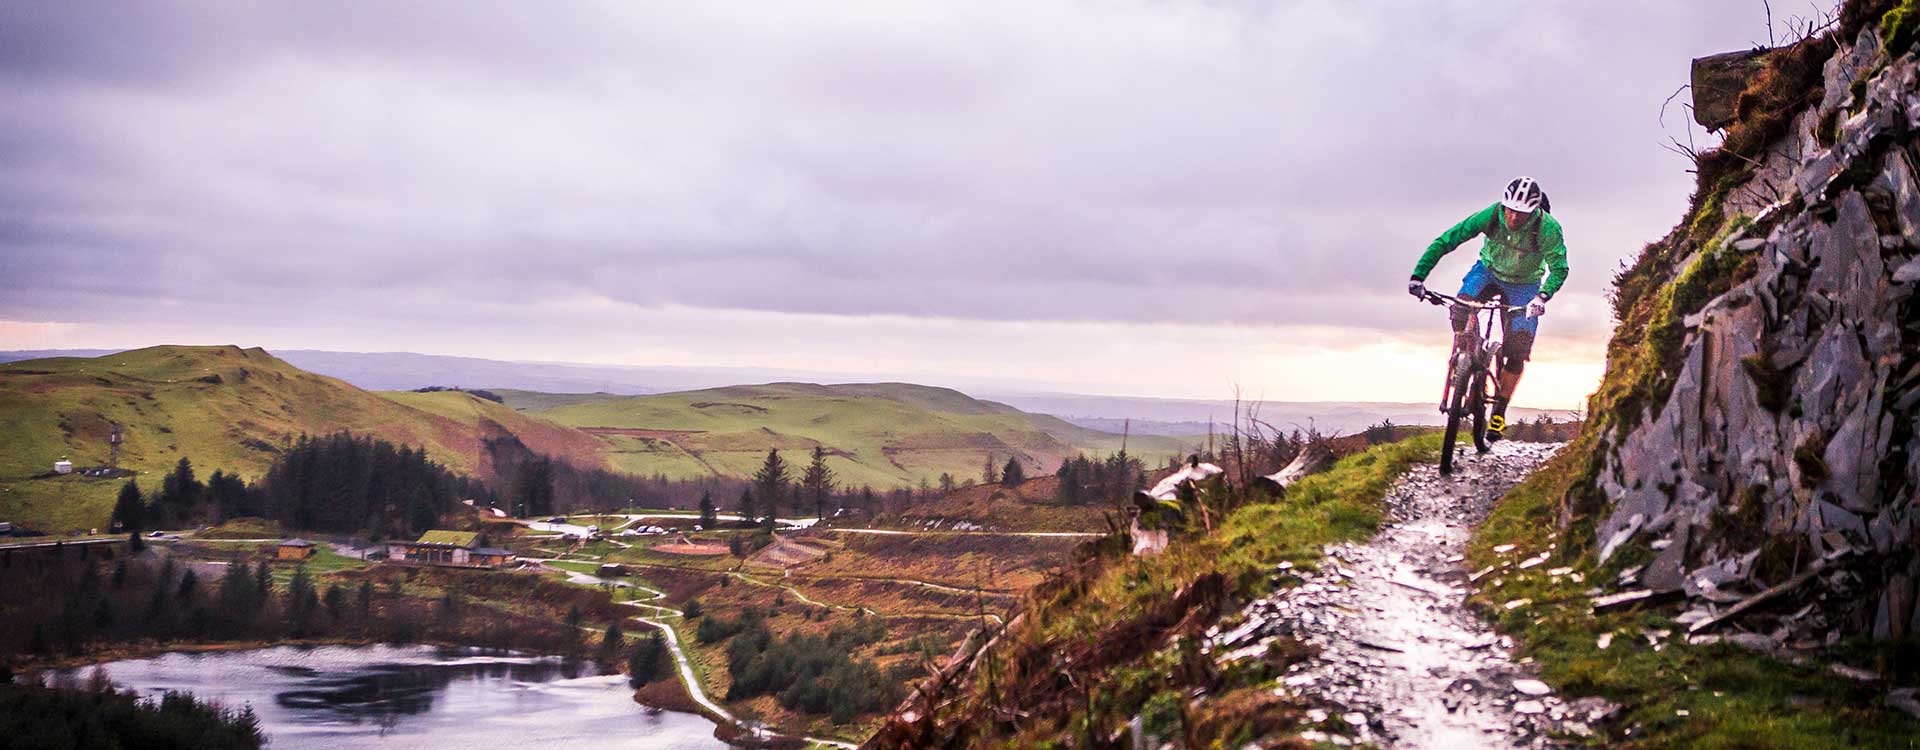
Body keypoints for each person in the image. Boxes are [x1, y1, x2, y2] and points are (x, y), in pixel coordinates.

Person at [1406, 177, 1569, 442]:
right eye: (1510, 209)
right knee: (1460, 308)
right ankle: (1469, 355)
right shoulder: (1491, 215)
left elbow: (1559, 267)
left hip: (1525, 285)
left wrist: (1542, 296)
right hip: (1488, 272)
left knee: (1517, 350)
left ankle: (1499, 412)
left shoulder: (1548, 228)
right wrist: (1418, 276)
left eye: (1521, 213)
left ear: (1535, 211)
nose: (1514, 217)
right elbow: (1448, 240)